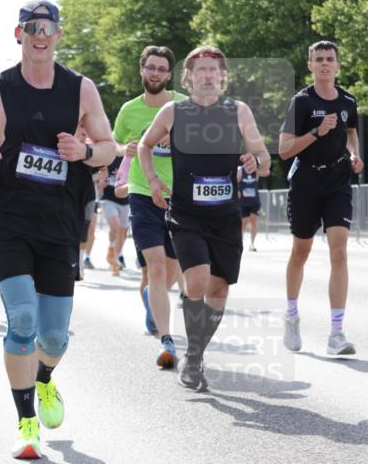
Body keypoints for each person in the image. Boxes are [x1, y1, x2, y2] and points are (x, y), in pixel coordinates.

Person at [0, 0, 116, 459]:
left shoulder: (81, 89)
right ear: (19, 34)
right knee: (22, 319)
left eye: (48, 27)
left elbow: (109, 146)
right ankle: (26, 422)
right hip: (9, 219)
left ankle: (44, 377)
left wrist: (84, 153)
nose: (40, 34)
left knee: (53, 338)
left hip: (59, 223)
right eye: (32, 27)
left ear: (58, 35)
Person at [140, 45, 271, 392]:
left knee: (219, 287)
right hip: (186, 213)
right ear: (189, 76)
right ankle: (194, 358)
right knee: (196, 282)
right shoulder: (173, 111)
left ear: (223, 76)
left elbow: (264, 156)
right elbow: (144, 145)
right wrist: (153, 180)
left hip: (226, 216)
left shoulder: (238, 111)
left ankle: (195, 353)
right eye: (201, 70)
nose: (208, 75)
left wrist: (255, 162)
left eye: (214, 70)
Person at [279, 40, 362, 355]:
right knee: (301, 251)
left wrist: (354, 154)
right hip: (306, 181)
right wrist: (317, 133)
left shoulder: (347, 101)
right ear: (310, 65)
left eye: (330, 59)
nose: (325, 63)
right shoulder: (300, 103)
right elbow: (285, 149)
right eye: (319, 59)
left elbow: (351, 131)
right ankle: (291, 315)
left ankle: (337, 333)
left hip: (338, 180)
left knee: (339, 252)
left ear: (338, 65)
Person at [113, 46, 186, 369]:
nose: (155, 73)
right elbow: (112, 142)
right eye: (150, 68)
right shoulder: (129, 110)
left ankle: (151, 300)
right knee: (155, 267)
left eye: (161, 69)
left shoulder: (184, 105)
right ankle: (166, 341)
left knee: (171, 269)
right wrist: (124, 147)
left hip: (180, 195)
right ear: (142, 70)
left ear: (168, 74)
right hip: (142, 192)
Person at [100, 156, 130, 275]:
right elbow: (100, 173)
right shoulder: (109, 156)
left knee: (123, 231)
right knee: (116, 227)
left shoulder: (131, 159)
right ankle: (113, 256)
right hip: (108, 199)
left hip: (126, 201)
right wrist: (102, 179)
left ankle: (116, 256)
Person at [237, 162, 261, 251]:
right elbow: (234, 181)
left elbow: (266, 172)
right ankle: (240, 242)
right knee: (244, 222)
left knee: (254, 220)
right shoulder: (240, 171)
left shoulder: (256, 170)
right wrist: (237, 191)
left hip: (254, 200)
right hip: (243, 201)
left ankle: (252, 244)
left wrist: (259, 163)